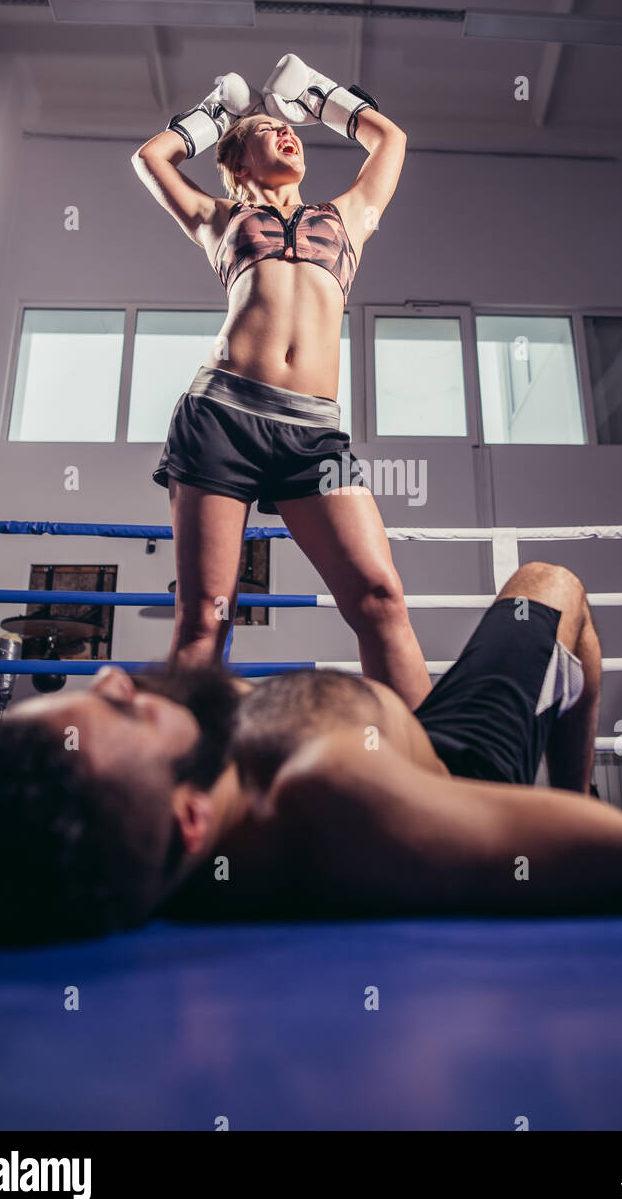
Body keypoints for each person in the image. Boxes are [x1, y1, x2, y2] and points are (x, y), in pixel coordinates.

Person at [0, 562, 622, 948]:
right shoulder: (335, 795)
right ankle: (570, 801)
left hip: (392, 717)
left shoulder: (145, 813)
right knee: (553, 586)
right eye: (119, 714)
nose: (110, 678)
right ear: (191, 820)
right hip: (459, 760)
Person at [131, 54, 430, 708]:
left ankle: (436, 778)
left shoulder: (348, 216)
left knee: (381, 600)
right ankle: (184, 790)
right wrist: (213, 115)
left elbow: (391, 139)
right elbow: (151, 160)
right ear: (240, 165)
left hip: (314, 435)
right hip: (221, 419)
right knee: (204, 623)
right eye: (268, 131)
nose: (287, 132)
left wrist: (322, 99)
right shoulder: (219, 220)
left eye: (290, 127)